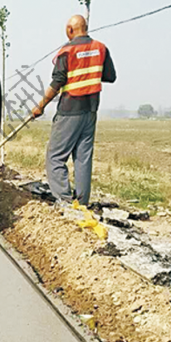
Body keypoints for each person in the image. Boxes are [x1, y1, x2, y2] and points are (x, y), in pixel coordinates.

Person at [31, 15, 116, 206]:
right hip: (91, 110)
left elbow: (58, 81)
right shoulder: (101, 48)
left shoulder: (68, 51)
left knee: (55, 157)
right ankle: (82, 203)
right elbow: (110, 76)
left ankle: (65, 202)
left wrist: (40, 107)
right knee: (83, 158)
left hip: (70, 110)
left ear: (70, 30)